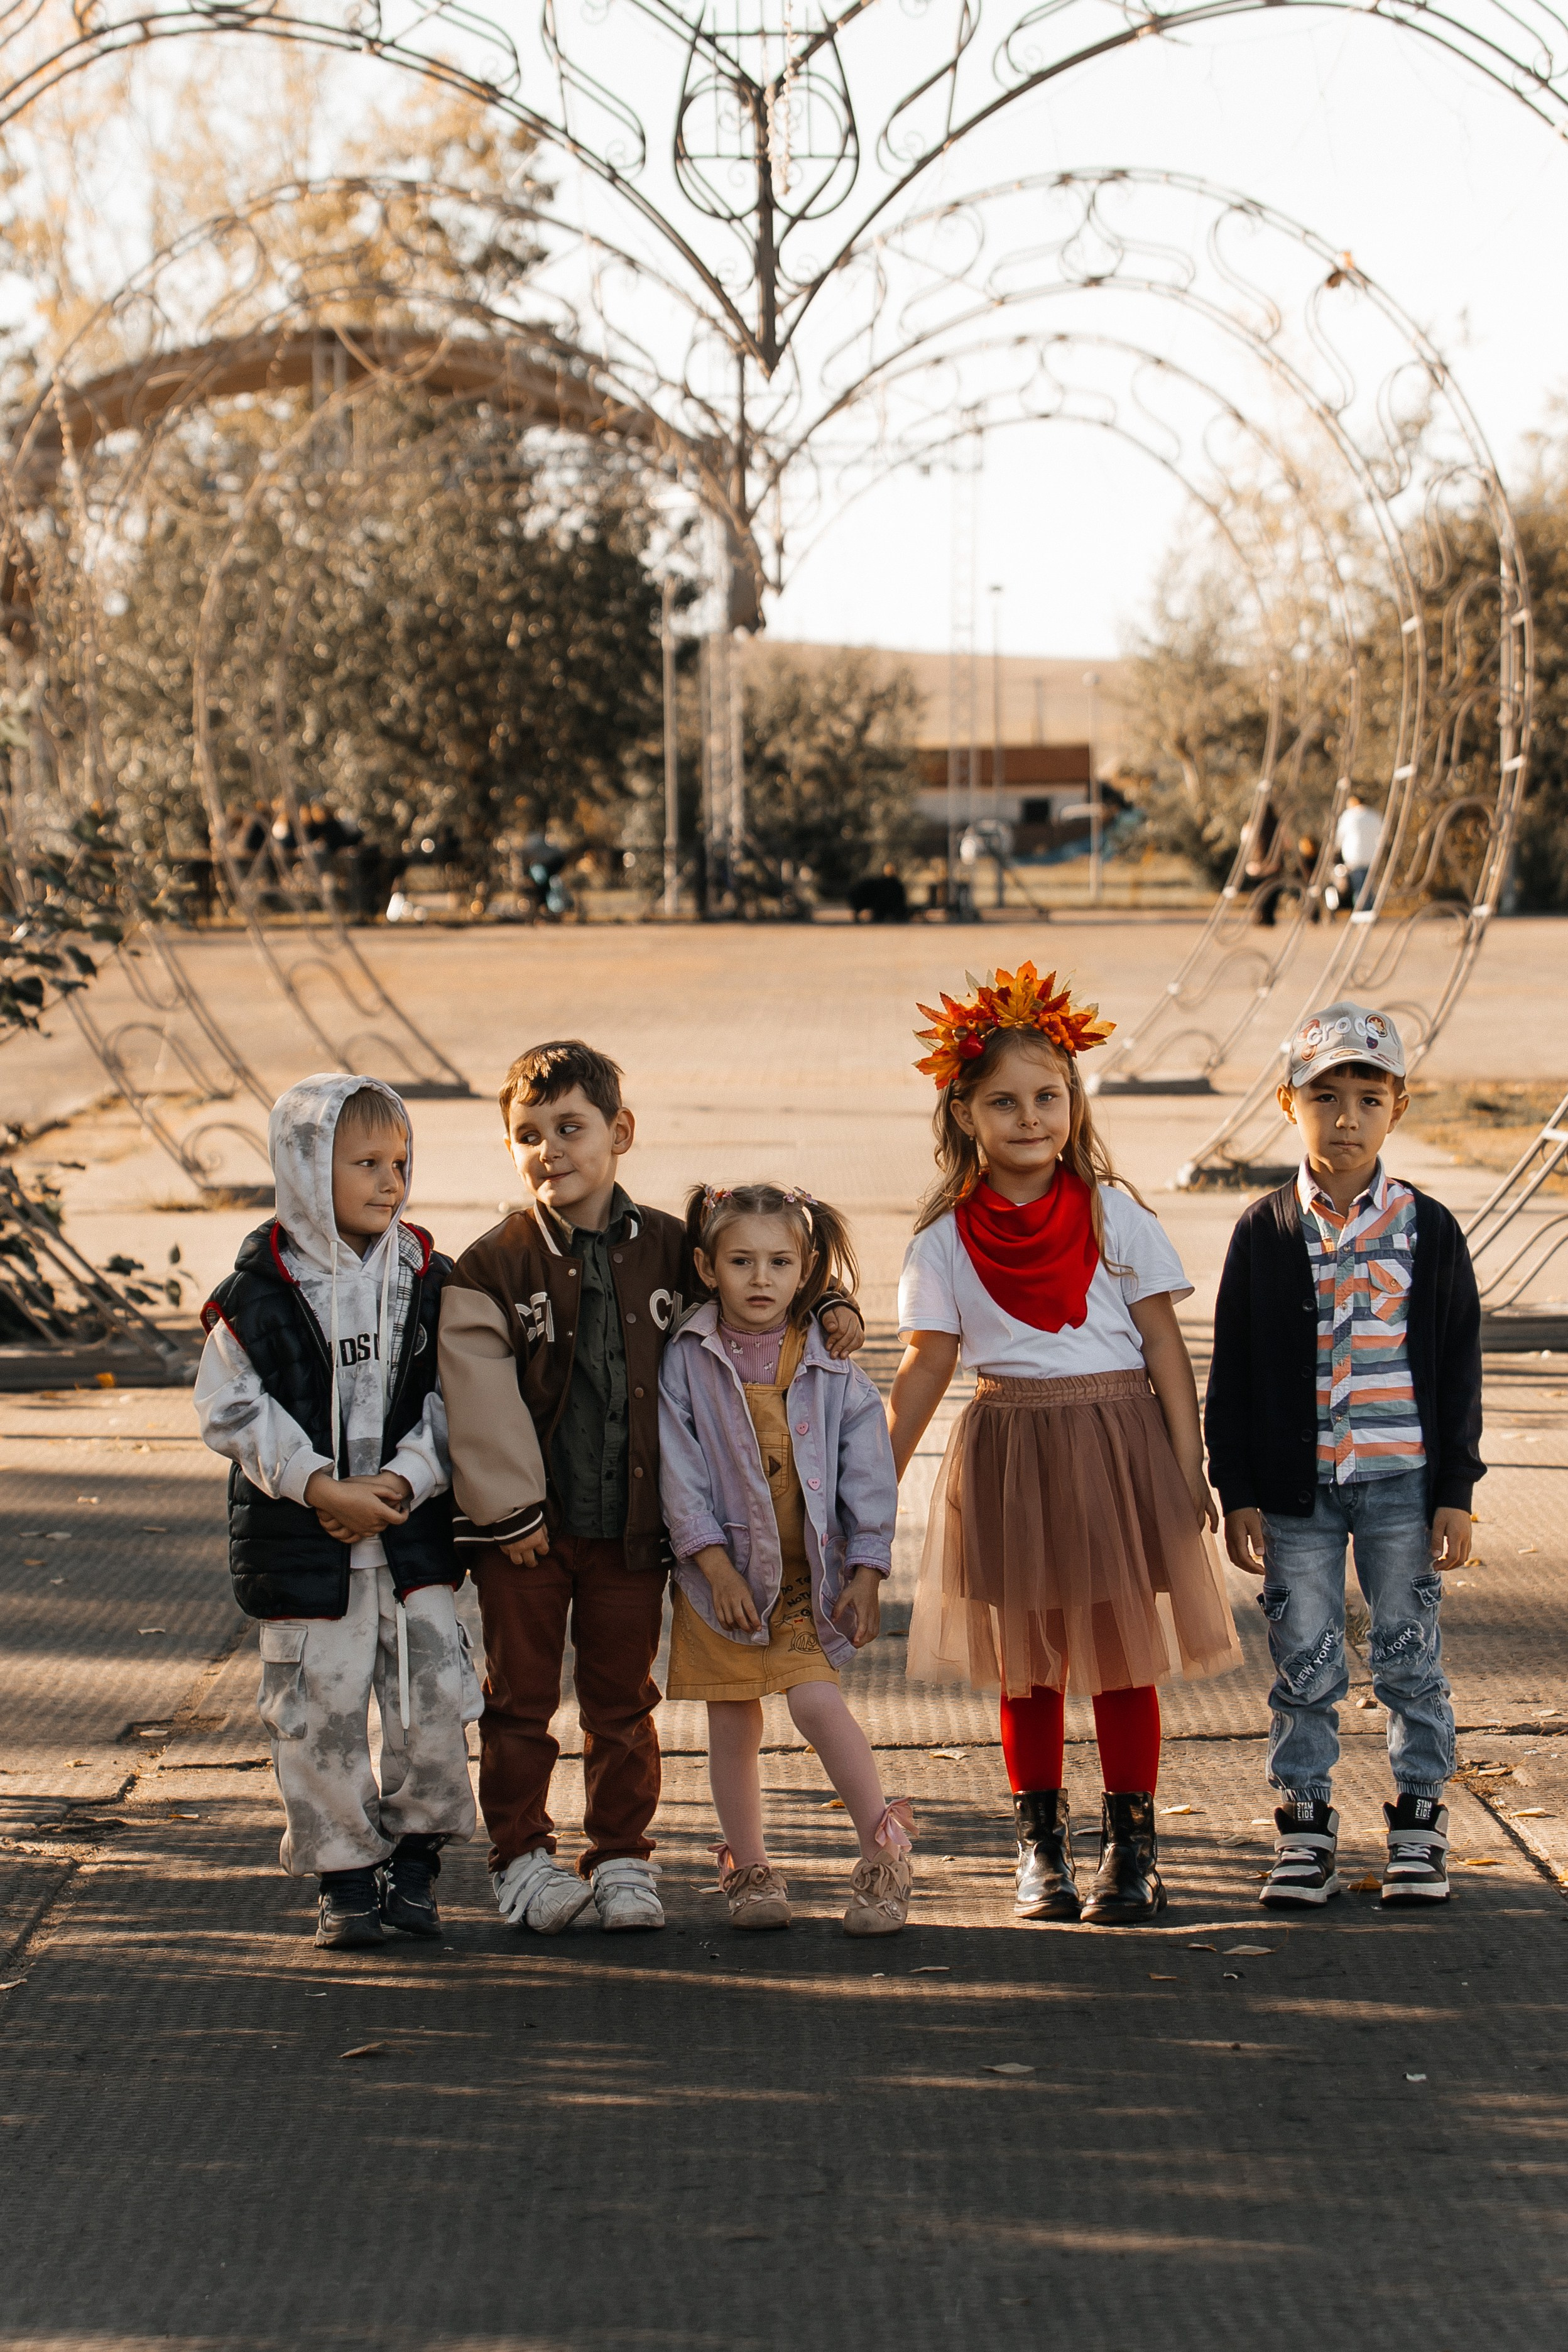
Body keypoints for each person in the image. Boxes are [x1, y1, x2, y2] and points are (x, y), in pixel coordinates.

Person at [436, 1041, 866, 1937]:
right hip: (527, 1534)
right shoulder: (492, 1265)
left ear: (620, 1132)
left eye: (570, 1128)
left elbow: (762, 1279)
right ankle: (520, 1857)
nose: (549, 1149)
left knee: (623, 1702)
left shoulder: (673, 1247)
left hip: (633, 1530)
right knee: (519, 1700)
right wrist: (506, 1509)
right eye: (527, 1135)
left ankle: (623, 1857)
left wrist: (827, 1305)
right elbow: (473, 1393)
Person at [888, 964, 1241, 1927]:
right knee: (1028, 1662)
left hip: (1117, 1448)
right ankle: (1040, 1849)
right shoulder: (943, 1240)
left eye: (1048, 1096)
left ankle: (1132, 1852)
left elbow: (1164, 1346)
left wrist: (1188, 1464)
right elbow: (926, 1364)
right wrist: (868, 1481)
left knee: (1124, 1657)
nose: (1030, 1117)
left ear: (1074, 1101)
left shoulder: (1117, 1213)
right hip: (1012, 1457)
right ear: (964, 1113)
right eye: (1003, 1101)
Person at [1206, 1001, 1483, 1909]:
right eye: (1326, 1097)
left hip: (1404, 1485)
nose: (1348, 1118)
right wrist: (1236, 1488)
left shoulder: (1429, 1228)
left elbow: (1458, 1366)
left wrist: (1456, 1489)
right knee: (1306, 1660)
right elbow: (1234, 1370)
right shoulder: (1266, 1230)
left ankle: (1419, 1822)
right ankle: (1305, 1827)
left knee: (1409, 1654)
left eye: (1369, 1098)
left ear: (1398, 1108)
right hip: (1299, 1494)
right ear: (1290, 1105)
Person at [195, 1075, 478, 1950]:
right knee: (317, 1719)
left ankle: (416, 1865)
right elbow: (231, 1408)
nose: (391, 1181)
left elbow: (459, 1397)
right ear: (306, 1168)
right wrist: (320, 1486)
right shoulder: (256, 1293)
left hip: (412, 1544)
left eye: (401, 1162)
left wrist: (401, 1483)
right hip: (305, 1550)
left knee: (434, 1706)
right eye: (366, 1163)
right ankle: (346, 1876)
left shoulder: (430, 1280)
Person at [658, 1182, 912, 1937]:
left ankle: (885, 1855)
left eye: (779, 1263)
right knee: (733, 1723)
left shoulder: (829, 1360)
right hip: (721, 1581)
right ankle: (750, 1869)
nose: (760, 1279)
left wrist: (867, 1571)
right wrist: (714, 1568)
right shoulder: (687, 1357)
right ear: (707, 1268)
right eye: (741, 1261)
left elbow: (868, 1470)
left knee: (814, 1702)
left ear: (806, 1272)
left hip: (807, 1577)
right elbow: (678, 1472)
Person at [1334, 794, 1383, 912]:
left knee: (1359, 885)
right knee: (1369, 884)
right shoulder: (1374, 815)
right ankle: (1369, 908)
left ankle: (1363, 910)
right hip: (1372, 856)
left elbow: (1339, 837)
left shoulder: (1349, 816)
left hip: (1354, 856)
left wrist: (1336, 851)